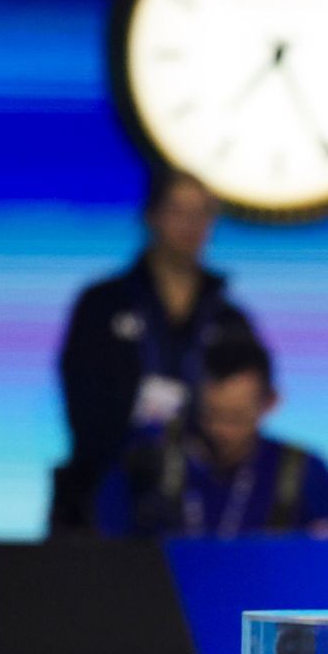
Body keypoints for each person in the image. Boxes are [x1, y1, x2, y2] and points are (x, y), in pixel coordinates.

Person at [51, 168, 255, 534]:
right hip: (105, 493)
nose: (191, 225)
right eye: (179, 211)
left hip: (204, 503)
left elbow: (249, 404)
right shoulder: (101, 305)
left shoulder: (229, 317)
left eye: (202, 213)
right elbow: (81, 401)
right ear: (152, 215)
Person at [99, 338, 328, 597]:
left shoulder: (301, 470)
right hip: (167, 632)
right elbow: (100, 567)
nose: (221, 431)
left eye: (236, 417)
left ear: (269, 403)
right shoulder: (146, 463)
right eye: (211, 415)